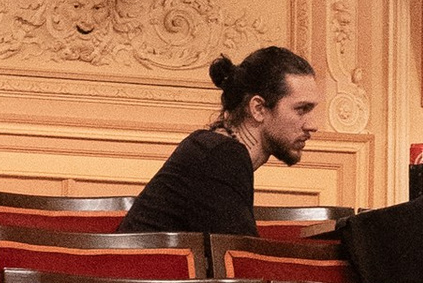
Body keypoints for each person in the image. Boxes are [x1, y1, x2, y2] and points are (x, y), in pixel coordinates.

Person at [127, 47, 321, 234]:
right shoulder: (221, 156)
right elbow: (241, 259)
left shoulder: (216, 148)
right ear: (258, 109)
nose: (312, 125)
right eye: (301, 109)